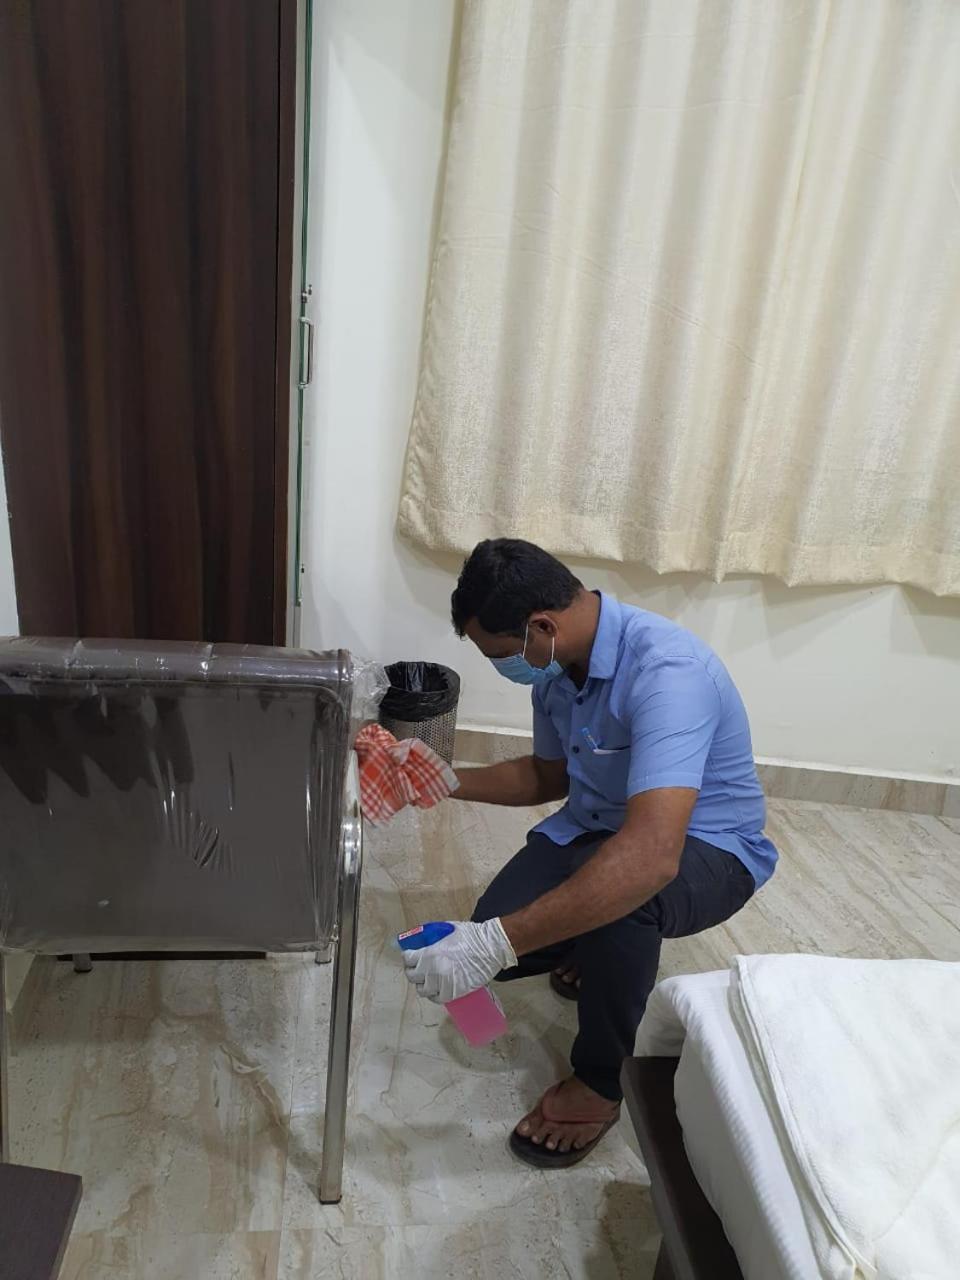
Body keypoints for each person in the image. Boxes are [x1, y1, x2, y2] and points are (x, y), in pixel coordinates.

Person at [403, 539, 777, 1168]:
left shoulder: (668, 674)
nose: (503, 668)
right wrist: (445, 781)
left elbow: (652, 856)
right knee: (501, 925)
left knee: (622, 902)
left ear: (541, 627)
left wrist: (495, 942)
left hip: (709, 845)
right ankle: (591, 946)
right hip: (599, 827)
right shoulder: (555, 671)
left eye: (500, 655)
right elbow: (548, 776)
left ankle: (602, 1084)